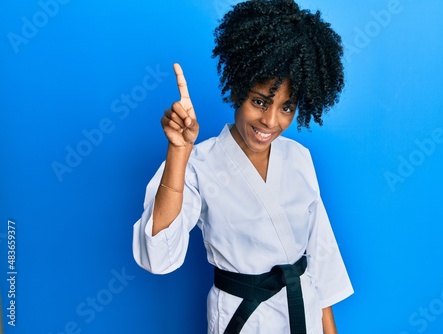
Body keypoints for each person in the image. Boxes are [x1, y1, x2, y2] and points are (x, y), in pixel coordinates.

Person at [133, 0, 353, 333]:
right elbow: (159, 258)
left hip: (302, 316)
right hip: (244, 320)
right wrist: (179, 152)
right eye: (260, 101)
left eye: (286, 107)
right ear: (238, 90)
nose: (270, 121)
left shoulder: (299, 157)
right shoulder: (199, 165)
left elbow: (321, 259)